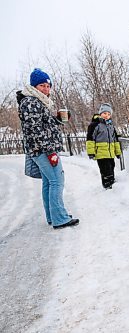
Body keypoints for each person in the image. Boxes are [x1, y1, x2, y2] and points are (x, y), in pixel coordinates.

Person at [16, 68, 79, 229]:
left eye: (48, 85)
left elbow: (45, 125)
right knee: (57, 181)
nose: (46, 89)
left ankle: (53, 215)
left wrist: (58, 120)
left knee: (48, 182)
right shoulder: (31, 102)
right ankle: (60, 218)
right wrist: (50, 152)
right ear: (34, 87)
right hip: (43, 149)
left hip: (42, 148)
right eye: (42, 85)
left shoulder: (37, 102)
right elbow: (36, 130)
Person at [86, 103, 122, 189]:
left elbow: (115, 140)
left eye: (109, 114)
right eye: (105, 113)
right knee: (105, 171)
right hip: (101, 153)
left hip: (110, 153)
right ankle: (107, 187)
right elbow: (90, 139)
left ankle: (113, 185)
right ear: (100, 113)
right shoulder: (95, 125)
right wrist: (91, 152)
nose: (107, 115)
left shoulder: (111, 126)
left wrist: (118, 152)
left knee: (112, 167)